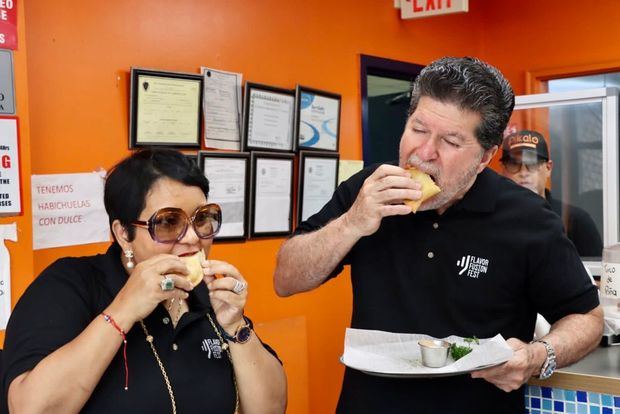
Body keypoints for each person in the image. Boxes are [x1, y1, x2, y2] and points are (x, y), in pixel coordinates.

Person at [274, 57, 603, 413]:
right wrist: (352, 222)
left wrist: (538, 356)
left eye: (450, 141)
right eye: (418, 129)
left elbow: (587, 319)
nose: (425, 152)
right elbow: (286, 279)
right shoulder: (369, 189)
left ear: (484, 157)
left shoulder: (528, 218)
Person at [2, 149, 286, 413]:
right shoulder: (71, 285)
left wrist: (236, 328)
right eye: (167, 222)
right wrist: (124, 309)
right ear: (123, 233)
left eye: (202, 219)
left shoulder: (210, 297)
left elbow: (272, 408)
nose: (192, 238)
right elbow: (30, 408)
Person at [500, 129, 603, 257]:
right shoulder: (495, 221)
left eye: (532, 163)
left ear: (548, 168)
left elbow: (598, 275)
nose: (523, 172)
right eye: (513, 164)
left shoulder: (576, 222)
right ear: (503, 171)